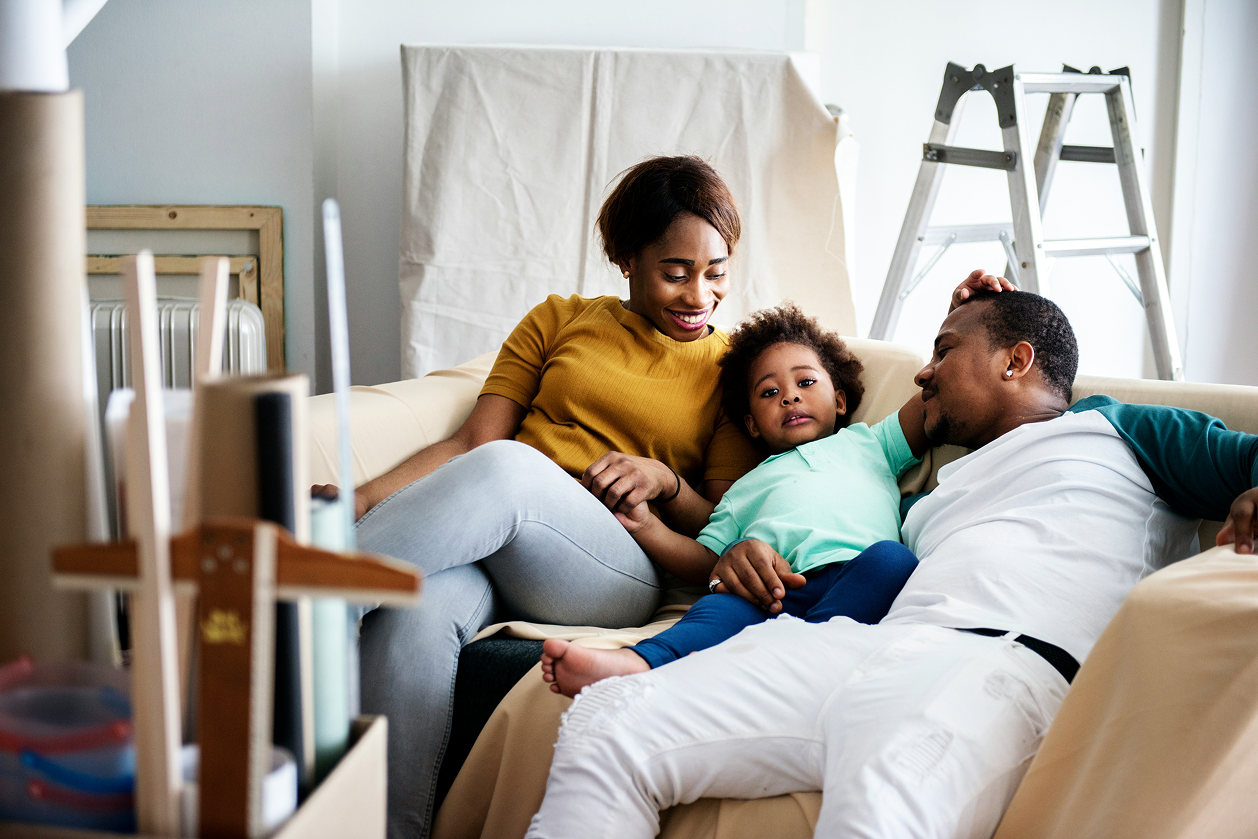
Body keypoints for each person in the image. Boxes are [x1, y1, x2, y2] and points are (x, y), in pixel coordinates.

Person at [523, 279, 1258, 839]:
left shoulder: (1117, 431)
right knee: (611, 720)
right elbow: (814, 537)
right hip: (860, 646)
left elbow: (1247, 459)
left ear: (1017, 361)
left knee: (880, 805)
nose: (922, 374)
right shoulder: (927, 497)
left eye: (944, 352)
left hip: (996, 661)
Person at [315, 156, 767, 839]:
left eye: (716, 272)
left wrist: (665, 481)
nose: (698, 294)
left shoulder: (730, 371)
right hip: (498, 542)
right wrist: (359, 498)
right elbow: (472, 441)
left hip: (612, 570)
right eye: (676, 272)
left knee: (511, 469)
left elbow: (721, 527)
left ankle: (307, 600)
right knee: (414, 614)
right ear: (626, 259)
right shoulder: (559, 319)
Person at [540, 303, 926, 697]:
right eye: (770, 392)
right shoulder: (744, 487)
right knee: (717, 609)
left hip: (855, 577)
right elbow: (706, 560)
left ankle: (804, 658)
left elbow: (930, 400)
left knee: (893, 559)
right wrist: (646, 526)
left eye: (806, 382)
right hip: (771, 594)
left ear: (840, 401)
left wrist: (955, 323)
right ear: (752, 425)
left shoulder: (871, 443)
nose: (790, 397)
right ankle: (636, 662)